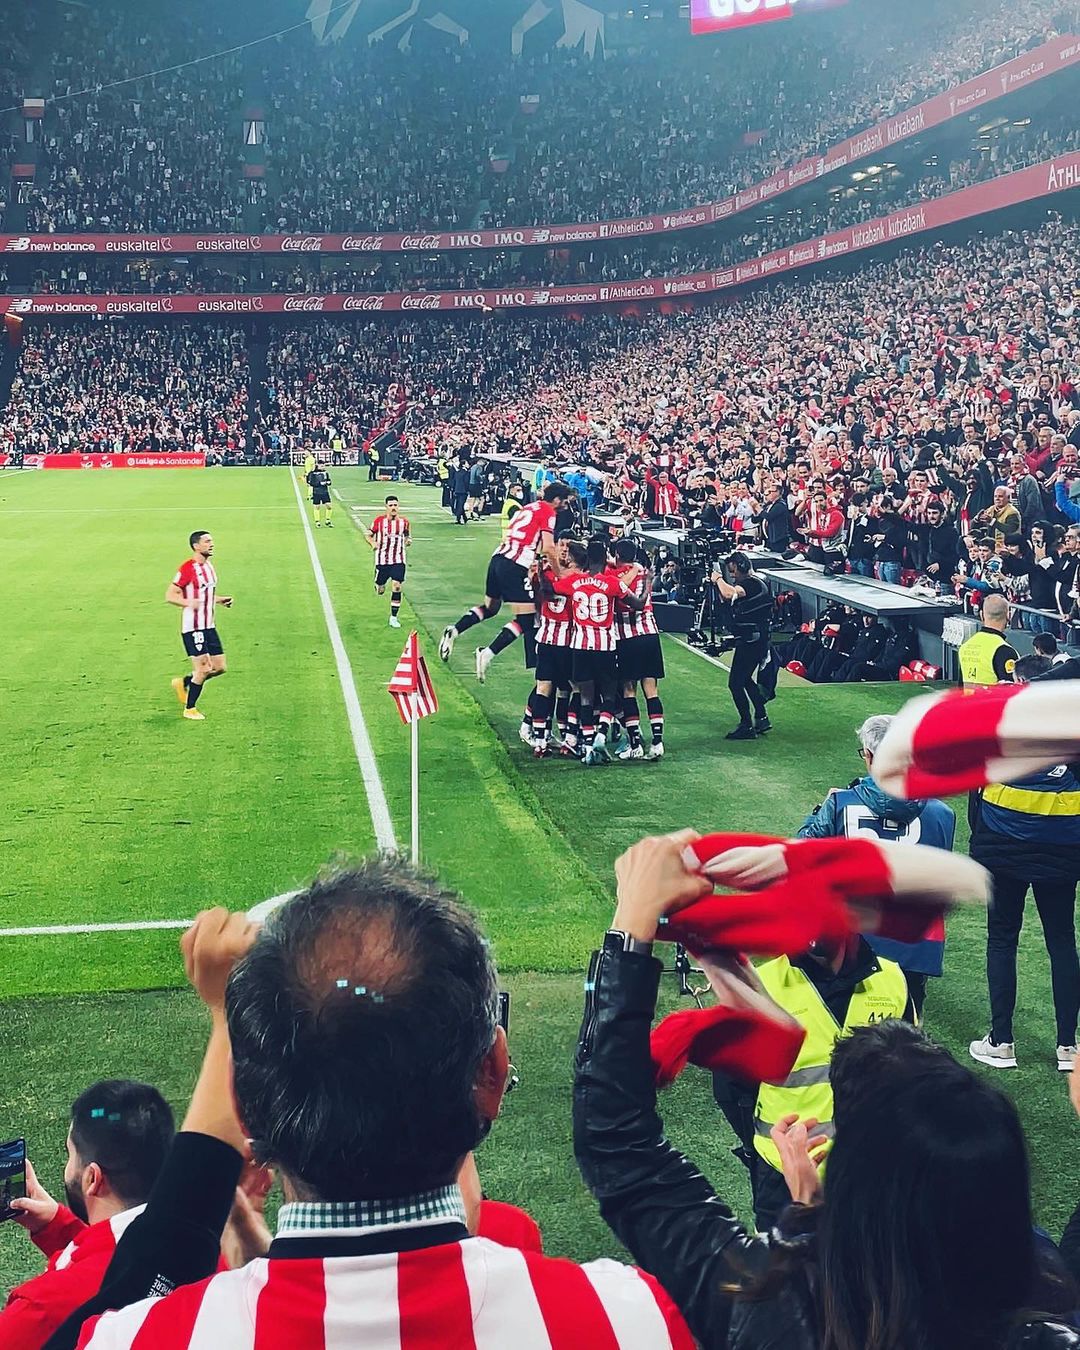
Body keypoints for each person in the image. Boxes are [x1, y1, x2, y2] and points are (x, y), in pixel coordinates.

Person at [75, 865, 691, 1348]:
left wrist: (222, 1026)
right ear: (495, 1076)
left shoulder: (135, 1336)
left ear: (246, 1114)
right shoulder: (633, 1320)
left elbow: (162, 1257)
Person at [574, 832, 1080, 1350]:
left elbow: (621, 1151)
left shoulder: (780, 1314)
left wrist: (631, 925)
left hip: (808, 1192)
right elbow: (735, 1091)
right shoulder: (1046, 1309)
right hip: (794, 1175)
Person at [796, 714, 956, 1015]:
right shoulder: (941, 813)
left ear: (870, 756)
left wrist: (820, 810)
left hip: (853, 937)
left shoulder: (841, 804)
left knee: (847, 1031)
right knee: (905, 1032)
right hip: (914, 940)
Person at [969, 655, 1080, 1075]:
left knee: (1002, 938)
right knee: (1062, 942)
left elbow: (975, 794)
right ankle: (1068, 1047)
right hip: (1062, 852)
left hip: (1002, 848)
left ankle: (1002, 1042)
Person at [0, 1081, 174, 1350]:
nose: (68, 1168)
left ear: (92, 1178)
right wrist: (57, 1226)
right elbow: (118, 1269)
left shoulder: (41, 1310)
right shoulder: (209, 1249)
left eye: (70, 1155)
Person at [439, 481, 570, 683]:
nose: (564, 507)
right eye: (564, 502)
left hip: (498, 558)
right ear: (557, 499)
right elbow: (548, 547)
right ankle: (487, 654)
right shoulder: (548, 512)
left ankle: (455, 630)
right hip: (514, 564)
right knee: (525, 619)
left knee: (491, 608)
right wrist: (560, 574)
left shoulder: (528, 507)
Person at [549, 537, 643, 766]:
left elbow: (552, 586)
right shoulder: (612, 583)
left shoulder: (575, 582)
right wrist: (647, 583)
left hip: (579, 646)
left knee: (586, 698)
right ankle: (602, 735)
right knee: (610, 694)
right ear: (605, 559)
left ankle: (588, 747)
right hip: (605, 647)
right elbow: (638, 604)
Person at [167, 531, 233, 722]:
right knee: (203, 669)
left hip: (209, 625)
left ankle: (185, 682)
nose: (211, 544)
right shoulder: (188, 568)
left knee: (220, 667)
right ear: (196, 546)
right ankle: (190, 708)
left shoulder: (210, 567)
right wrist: (188, 603)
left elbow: (206, 595)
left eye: (212, 541)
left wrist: (219, 600)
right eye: (207, 542)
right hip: (193, 627)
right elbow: (170, 595)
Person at [611, 537, 666, 761]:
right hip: (650, 634)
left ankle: (635, 744)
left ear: (617, 555)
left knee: (628, 690)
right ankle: (658, 742)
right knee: (651, 690)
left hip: (627, 637)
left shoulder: (616, 576)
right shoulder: (643, 571)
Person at [712, 552, 773, 741]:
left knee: (735, 683)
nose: (733, 576)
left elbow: (730, 593)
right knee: (745, 679)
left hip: (752, 641)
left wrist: (718, 579)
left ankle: (746, 724)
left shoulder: (751, 583)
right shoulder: (757, 581)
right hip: (754, 638)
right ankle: (761, 717)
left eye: (734, 572)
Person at [365, 494, 410, 629]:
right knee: (380, 590)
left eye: (395, 505)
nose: (393, 508)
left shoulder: (404, 522)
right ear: (386, 507)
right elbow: (368, 534)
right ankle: (378, 582)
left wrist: (408, 541)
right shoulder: (379, 521)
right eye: (390, 505)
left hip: (398, 559)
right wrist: (372, 543)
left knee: (397, 586)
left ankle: (393, 617)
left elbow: (407, 535)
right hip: (382, 560)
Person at [958, 592, 1019, 686]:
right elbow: (1012, 691)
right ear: (1008, 615)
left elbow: (961, 687)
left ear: (982, 615)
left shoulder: (965, 646)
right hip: (993, 701)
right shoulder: (1005, 650)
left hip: (969, 700)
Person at [306, 463, 332, 528]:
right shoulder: (313, 474)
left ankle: (328, 520)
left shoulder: (325, 473)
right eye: (322, 466)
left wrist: (328, 482)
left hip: (325, 492)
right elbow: (311, 483)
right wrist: (320, 483)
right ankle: (317, 522)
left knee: (329, 506)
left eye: (324, 466)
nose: (323, 467)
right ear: (318, 466)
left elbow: (329, 480)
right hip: (316, 492)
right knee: (317, 507)